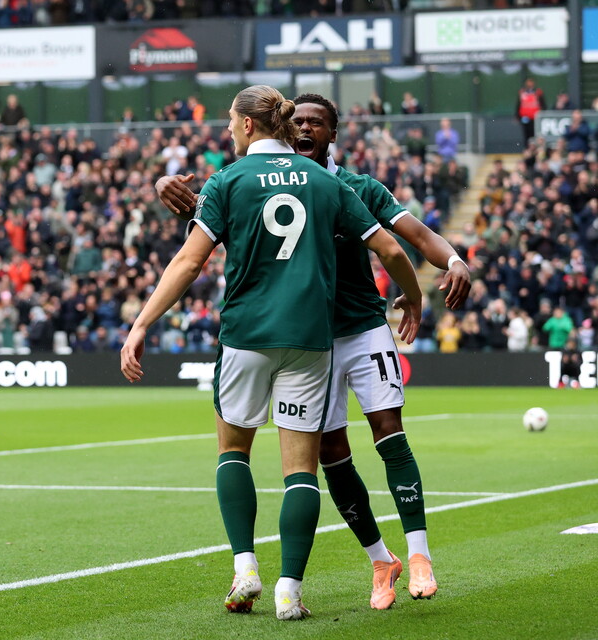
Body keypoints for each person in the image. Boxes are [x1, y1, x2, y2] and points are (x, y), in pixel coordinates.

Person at [156, 92, 470, 610]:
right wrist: (163, 181)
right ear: (284, 125)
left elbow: (409, 235)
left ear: (333, 132)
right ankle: (379, 560)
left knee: (389, 432)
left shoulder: (354, 186)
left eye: (316, 122)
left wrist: (453, 259)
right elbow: (214, 203)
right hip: (313, 339)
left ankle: (418, 555)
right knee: (328, 455)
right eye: (297, 120)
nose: (305, 128)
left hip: (363, 327)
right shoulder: (268, 181)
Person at [516, 77, 545, 143]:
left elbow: (543, 104)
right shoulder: (522, 92)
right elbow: (519, 104)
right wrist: (517, 116)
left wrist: (542, 114)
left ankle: (534, 149)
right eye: (528, 82)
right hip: (525, 117)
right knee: (526, 134)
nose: (529, 84)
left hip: (535, 118)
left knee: (535, 134)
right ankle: (527, 148)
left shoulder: (538, 92)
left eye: (531, 82)